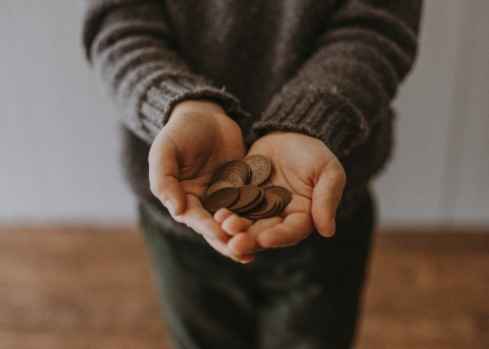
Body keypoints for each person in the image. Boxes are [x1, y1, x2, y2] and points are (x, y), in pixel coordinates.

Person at [83, 0, 421, 347]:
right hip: (183, 220)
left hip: (323, 207)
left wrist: (312, 119)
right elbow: (117, 25)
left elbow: (377, 26)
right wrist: (175, 103)